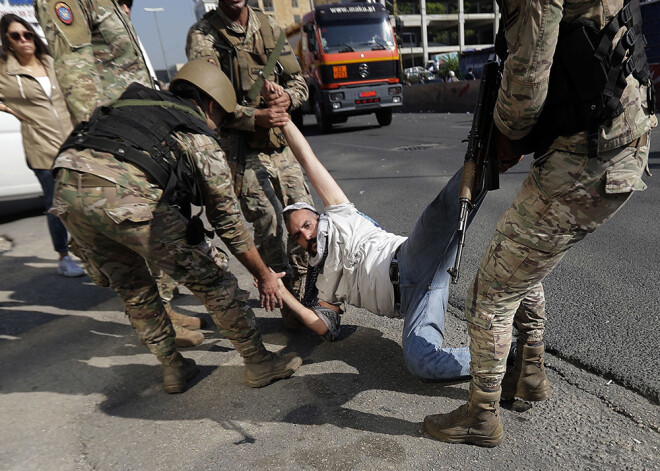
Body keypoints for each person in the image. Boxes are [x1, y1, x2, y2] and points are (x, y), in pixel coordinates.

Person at [423, 0, 656, 447]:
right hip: (610, 137)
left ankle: (481, 416)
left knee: (489, 292)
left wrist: (503, 136)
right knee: (519, 261)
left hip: (592, 153)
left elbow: (525, 88)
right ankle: (528, 371)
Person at [49, 59, 303, 394]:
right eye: (223, 120)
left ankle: (173, 368)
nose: (219, 128)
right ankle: (258, 363)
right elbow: (227, 221)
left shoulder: (131, 102)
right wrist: (264, 273)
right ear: (211, 105)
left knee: (134, 289)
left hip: (67, 192)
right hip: (125, 197)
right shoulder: (198, 136)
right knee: (215, 280)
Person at [262, 107, 485, 381]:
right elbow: (323, 327)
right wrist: (284, 294)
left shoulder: (340, 214)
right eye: (297, 235)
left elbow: (307, 160)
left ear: (318, 216)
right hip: (419, 300)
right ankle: (501, 357)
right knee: (420, 363)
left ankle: (492, 155)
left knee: (441, 210)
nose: (305, 235)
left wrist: (284, 121)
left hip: (409, 258)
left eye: (306, 225)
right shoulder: (321, 282)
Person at [35, 0, 205, 347]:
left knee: (155, 230)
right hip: (117, 146)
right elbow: (75, 72)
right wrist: (106, 144)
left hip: (134, 137)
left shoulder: (109, 3)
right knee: (135, 244)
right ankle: (163, 330)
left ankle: (166, 313)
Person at [186, 0, 313, 330]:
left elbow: (299, 81)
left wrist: (288, 98)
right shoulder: (203, 35)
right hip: (242, 151)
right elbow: (205, 103)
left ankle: (305, 293)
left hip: (279, 147)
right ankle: (287, 304)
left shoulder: (269, 27)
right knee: (268, 225)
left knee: (304, 219)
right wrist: (253, 117)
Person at [0, 14, 84, 277]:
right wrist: (7, 108)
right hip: (41, 148)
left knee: (83, 202)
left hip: (73, 143)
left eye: (27, 34)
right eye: (16, 36)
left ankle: (91, 252)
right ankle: (63, 256)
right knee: (55, 205)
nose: (24, 40)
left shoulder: (51, 62)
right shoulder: (5, 72)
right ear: (7, 41)